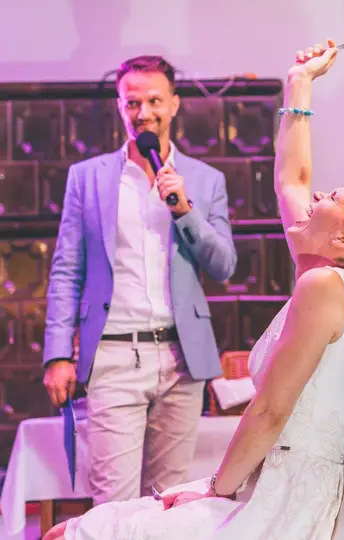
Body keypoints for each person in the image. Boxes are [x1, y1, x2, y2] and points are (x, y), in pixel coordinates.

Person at [43, 39, 344, 540]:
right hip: (272, 489)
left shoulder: (324, 285)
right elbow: (292, 180)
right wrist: (299, 83)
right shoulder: (333, 279)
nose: (317, 193)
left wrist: (215, 489)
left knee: (68, 534)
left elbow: (270, 411)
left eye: (332, 196)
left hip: (277, 504)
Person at [42, 55, 237, 505]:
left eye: (153, 101)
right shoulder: (87, 178)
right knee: (114, 505)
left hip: (181, 359)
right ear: (120, 106)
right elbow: (66, 269)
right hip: (113, 355)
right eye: (132, 102)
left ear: (174, 104)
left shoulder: (205, 180)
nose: (143, 112)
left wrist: (184, 209)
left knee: (168, 503)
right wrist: (57, 354)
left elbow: (224, 265)